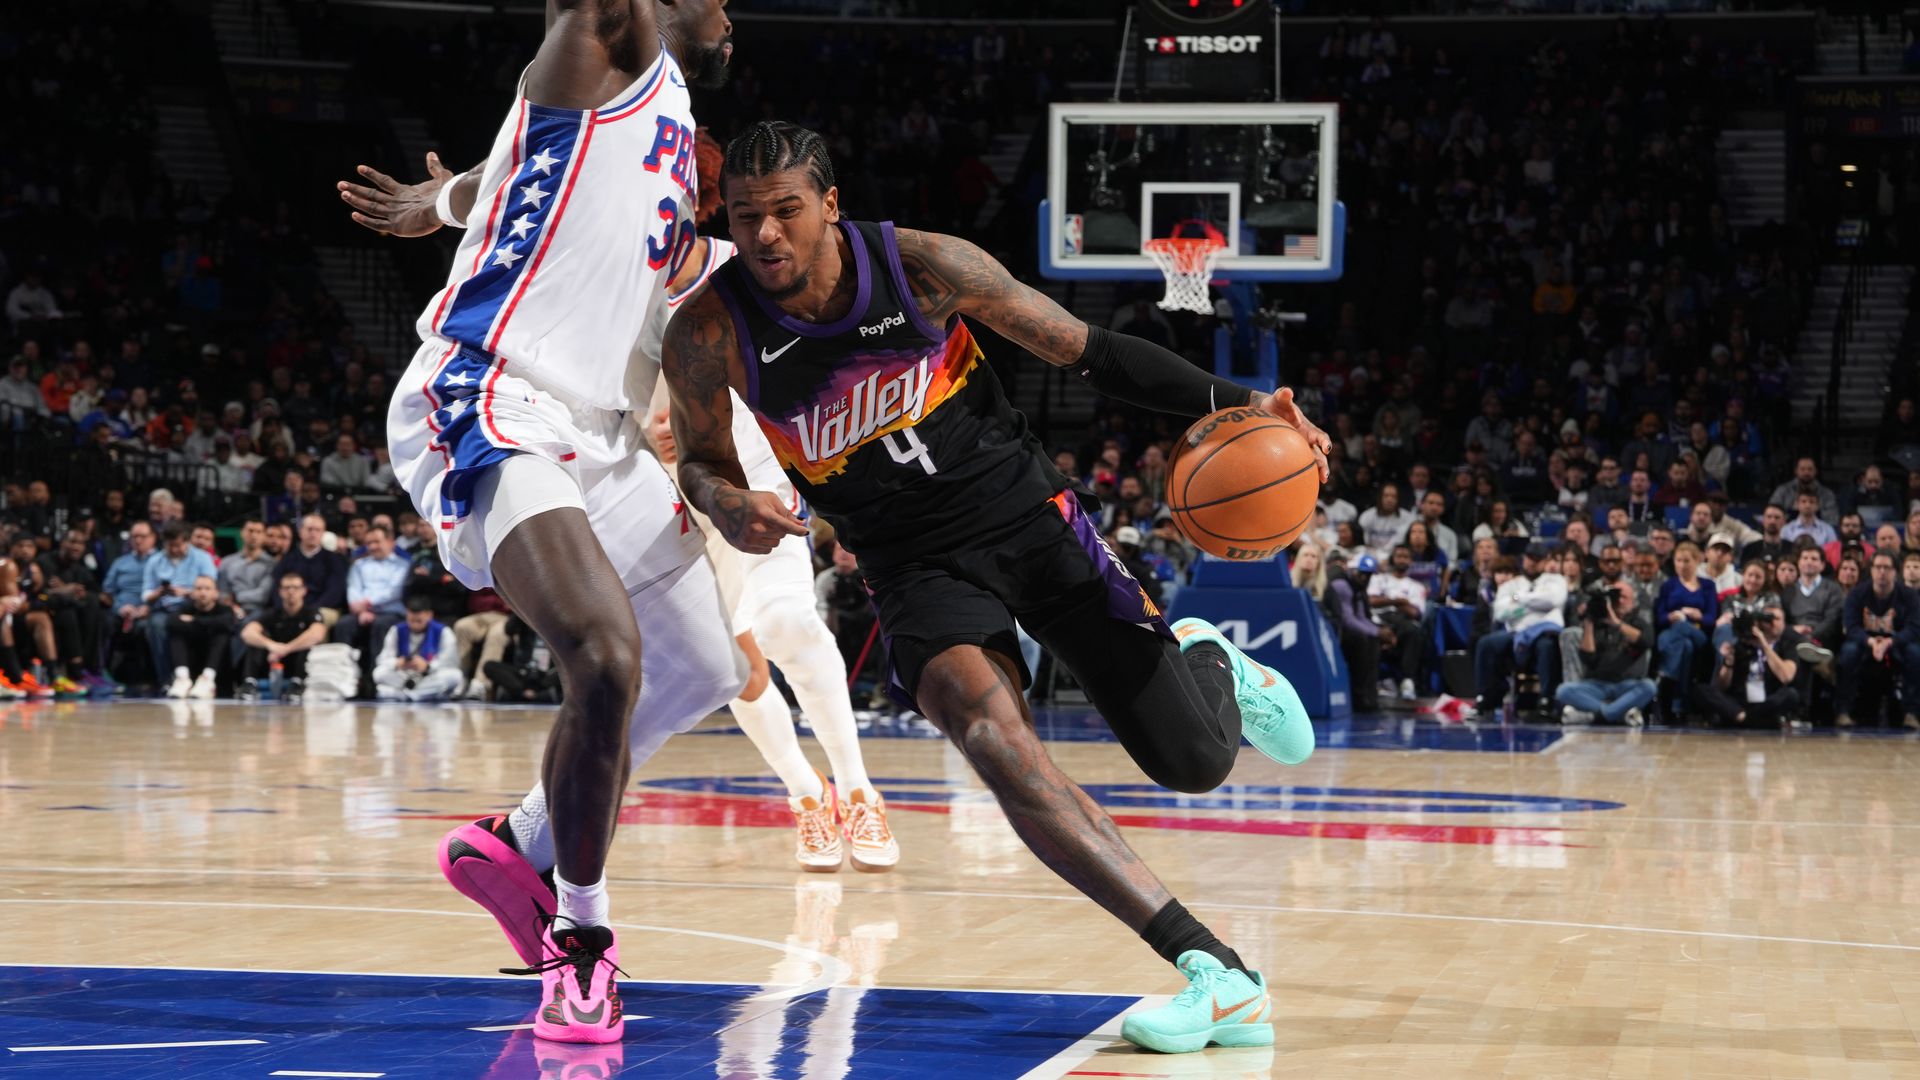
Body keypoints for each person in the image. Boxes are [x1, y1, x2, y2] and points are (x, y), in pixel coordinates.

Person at [661, 121, 1337, 1053]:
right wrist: (727, 501)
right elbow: (700, 460)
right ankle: (1214, 970)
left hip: (1029, 521)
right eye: (745, 216)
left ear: (830, 204)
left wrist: (1247, 403)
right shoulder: (707, 331)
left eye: (786, 210)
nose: (766, 233)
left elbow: (1093, 352)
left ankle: (1210, 664)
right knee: (991, 738)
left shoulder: (924, 268)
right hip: (911, 566)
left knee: (1193, 763)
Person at [339, 0, 752, 1044]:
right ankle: (581, 942)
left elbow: (519, 166)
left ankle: (516, 844)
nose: (732, 15)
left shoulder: (657, 118)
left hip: (601, 431)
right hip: (494, 392)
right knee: (605, 656)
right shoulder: (611, 42)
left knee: (707, 668)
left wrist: (448, 200)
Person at [1470, 541, 1567, 718]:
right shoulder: (1511, 585)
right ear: (1524, 559)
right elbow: (1501, 612)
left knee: (1546, 645)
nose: (1532, 563)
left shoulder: (1555, 581)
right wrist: (1533, 604)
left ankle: (1546, 699)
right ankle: (1485, 697)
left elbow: (1553, 600)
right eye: (1529, 558)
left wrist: (1518, 599)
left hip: (1544, 631)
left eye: (1537, 559)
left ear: (1545, 561)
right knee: (1486, 643)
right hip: (1516, 632)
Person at [1835, 551, 1920, 729]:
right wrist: (1871, 642)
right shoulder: (1857, 593)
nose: (1882, 572)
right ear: (1871, 570)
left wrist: (1890, 642)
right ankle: (1844, 711)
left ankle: (1911, 713)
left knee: (1915, 654)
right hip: (1865, 642)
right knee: (1849, 653)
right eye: (1878, 567)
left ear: (1895, 571)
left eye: (1886, 568)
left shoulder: (1909, 595)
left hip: (1897, 642)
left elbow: (1914, 628)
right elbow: (1851, 626)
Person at [1555, 578, 1654, 726]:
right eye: (1616, 597)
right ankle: (1618, 714)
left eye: (1624, 597)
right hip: (1597, 686)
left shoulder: (1638, 622)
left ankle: (1599, 716)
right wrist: (1589, 621)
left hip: (1627, 686)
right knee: (1563, 691)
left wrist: (1616, 623)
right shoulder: (1598, 623)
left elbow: (1646, 641)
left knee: (1649, 687)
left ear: (1633, 602)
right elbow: (1588, 658)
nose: (1620, 601)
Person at [1692, 608, 1804, 728]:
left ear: (1784, 623)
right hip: (1738, 702)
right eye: (1768, 619)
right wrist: (1728, 662)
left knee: (1791, 694)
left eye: (1777, 619)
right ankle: (1745, 717)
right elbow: (1721, 687)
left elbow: (1786, 677)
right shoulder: (1743, 643)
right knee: (1701, 689)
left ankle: (1742, 718)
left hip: (1765, 702)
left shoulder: (1786, 645)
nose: (1772, 623)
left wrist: (1764, 645)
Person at [141, 522, 218, 685]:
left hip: (194, 607)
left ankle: (204, 678)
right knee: (156, 625)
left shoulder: (202, 558)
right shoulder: (155, 560)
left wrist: (186, 592)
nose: (174, 549)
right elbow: (146, 594)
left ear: (187, 541)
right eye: (170, 546)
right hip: (165, 608)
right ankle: (166, 680)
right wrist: (158, 593)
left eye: (178, 545)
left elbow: (210, 588)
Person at [331, 524, 411, 678]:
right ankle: (344, 679)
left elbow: (393, 592)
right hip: (361, 613)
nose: (373, 547)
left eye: (377, 542)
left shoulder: (403, 565)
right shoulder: (359, 565)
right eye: (369, 543)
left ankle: (376, 679)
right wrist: (360, 609)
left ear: (390, 542)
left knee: (380, 625)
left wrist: (367, 604)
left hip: (391, 613)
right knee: (343, 625)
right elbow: (353, 589)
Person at [238, 572, 328, 699]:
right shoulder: (272, 613)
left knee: (307, 641)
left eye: (295, 587)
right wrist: (271, 646)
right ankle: (249, 682)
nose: (291, 591)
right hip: (273, 660)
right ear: (280, 591)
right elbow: (247, 633)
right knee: (256, 641)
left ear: (304, 591)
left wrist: (286, 649)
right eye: (287, 588)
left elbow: (318, 634)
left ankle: (297, 683)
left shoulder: (311, 612)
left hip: (298, 660)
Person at [1655, 540, 1717, 705]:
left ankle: (1664, 676)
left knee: (1682, 628)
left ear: (1697, 561)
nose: (1682, 565)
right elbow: (1660, 617)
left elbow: (1711, 619)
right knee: (1685, 646)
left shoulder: (1708, 586)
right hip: (1672, 632)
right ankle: (1679, 702)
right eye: (1679, 560)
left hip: (1698, 633)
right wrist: (1670, 617)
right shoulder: (1668, 585)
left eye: (1687, 561)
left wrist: (1699, 616)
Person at [373, 597, 464, 701]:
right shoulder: (396, 630)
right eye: (411, 620)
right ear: (407, 614)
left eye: (419, 621)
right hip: (404, 675)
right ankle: (424, 694)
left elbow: (450, 662)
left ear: (429, 615)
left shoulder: (443, 631)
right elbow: (382, 660)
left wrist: (428, 666)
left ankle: (404, 695)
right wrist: (398, 663)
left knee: (455, 676)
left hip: (429, 675)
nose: (415, 624)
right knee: (379, 673)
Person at [1367, 544, 1427, 701]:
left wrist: (1386, 600)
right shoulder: (1378, 579)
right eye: (1399, 556)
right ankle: (1376, 682)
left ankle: (1407, 681)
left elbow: (1414, 612)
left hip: (1402, 622)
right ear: (1392, 559)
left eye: (1405, 557)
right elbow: (1371, 601)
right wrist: (1398, 601)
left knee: (1414, 631)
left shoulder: (1416, 586)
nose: (1402, 560)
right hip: (1378, 619)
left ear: (1411, 561)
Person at [1327, 553, 1383, 712]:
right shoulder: (1341, 585)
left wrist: (1378, 631)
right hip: (1337, 630)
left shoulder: (1358, 588)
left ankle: (1369, 695)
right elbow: (1348, 619)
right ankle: (1358, 696)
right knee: (1361, 640)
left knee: (1373, 641)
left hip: (1348, 628)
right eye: (1362, 573)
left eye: (1369, 575)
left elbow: (1361, 616)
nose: (1365, 578)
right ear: (1353, 570)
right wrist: (1377, 632)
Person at [164, 574, 235, 698]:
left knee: (221, 634)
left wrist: (194, 621)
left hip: (217, 666)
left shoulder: (224, 610)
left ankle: (207, 680)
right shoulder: (186, 607)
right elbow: (171, 622)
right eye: (199, 588)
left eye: (207, 589)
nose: (203, 593)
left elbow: (227, 623)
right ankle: (182, 678)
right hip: (191, 660)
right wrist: (206, 624)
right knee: (177, 634)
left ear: (215, 593)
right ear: (192, 593)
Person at [276, 514, 349, 624]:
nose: (313, 533)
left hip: (324, 608)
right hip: (290, 607)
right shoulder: (287, 560)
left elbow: (335, 592)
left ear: (323, 533)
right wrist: (284, 606)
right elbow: (276, 588)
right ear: (300, 531)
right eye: (309, 529)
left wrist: (307, 610)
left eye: (318, 530)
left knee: (315, 618)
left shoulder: (335, 560)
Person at [1782, 545, 1844, 657]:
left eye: (1814, 559)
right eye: (1805, 558)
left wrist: (1811, 635)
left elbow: (1832, 619)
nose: (1809, 562)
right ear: (1799, 563)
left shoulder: (1833, 589)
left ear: (1822, 565)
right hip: (1794, 638)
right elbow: (1782, 620)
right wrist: (1793, 630)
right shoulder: (1788, 591)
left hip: (1823, 641)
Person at [217, 519, 277, 620]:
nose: (254, 535)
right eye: (250, 531)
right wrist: (232, 606)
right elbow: (223, 592)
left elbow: (263, 595)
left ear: (264, 536)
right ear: (242, 533)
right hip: (230, 611)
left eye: (258, 532)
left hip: (260, 611)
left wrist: (236, 596)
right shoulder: (226, 562)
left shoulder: (271, 564)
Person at [1768, 456, 1839, 525]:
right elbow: (1771, 513)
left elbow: (1833, 519)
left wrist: (1811, 514)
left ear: (1815, 471)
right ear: (1796, 471)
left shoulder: (1827, 494)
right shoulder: (1782, 491)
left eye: (1810, 469)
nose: (1806, 472)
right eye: (1802, 469)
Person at [1357, 483, 1415, 559]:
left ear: (1398, 499)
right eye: (1386, 496)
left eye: (1393, 497)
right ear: (1380, 498)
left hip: (1397, 558)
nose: (1389, 500)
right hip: (1371, 557)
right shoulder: (1366, 516)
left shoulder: (1408, 518)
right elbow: (1363, 544)